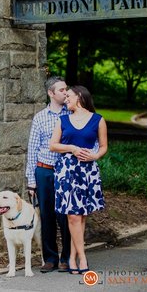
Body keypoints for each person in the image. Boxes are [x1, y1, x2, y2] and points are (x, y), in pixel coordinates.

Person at [49, 85, 108, 275]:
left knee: (81, 215)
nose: (66, 100)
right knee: (73, 215)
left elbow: (104, 147)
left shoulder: (98, 120)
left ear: (80, 97)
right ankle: (82, 257)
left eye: (68, 97)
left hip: (88, 171)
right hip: (67, 171)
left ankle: (73, 257)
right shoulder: (63, 120)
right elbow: (53, 146)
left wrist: (95, 156)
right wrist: (72, 148)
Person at [23, 76, 71, 273]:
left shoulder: (73, 114)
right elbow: (32, 149)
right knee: (47, 215)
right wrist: (31, 181)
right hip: (44, 171)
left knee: (66, 216)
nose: (66, 93)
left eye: (66, 89)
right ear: (51, 93)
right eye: (61, 90)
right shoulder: (40, 117)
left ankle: (67, 257)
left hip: (66, 172)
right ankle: (50, 258)